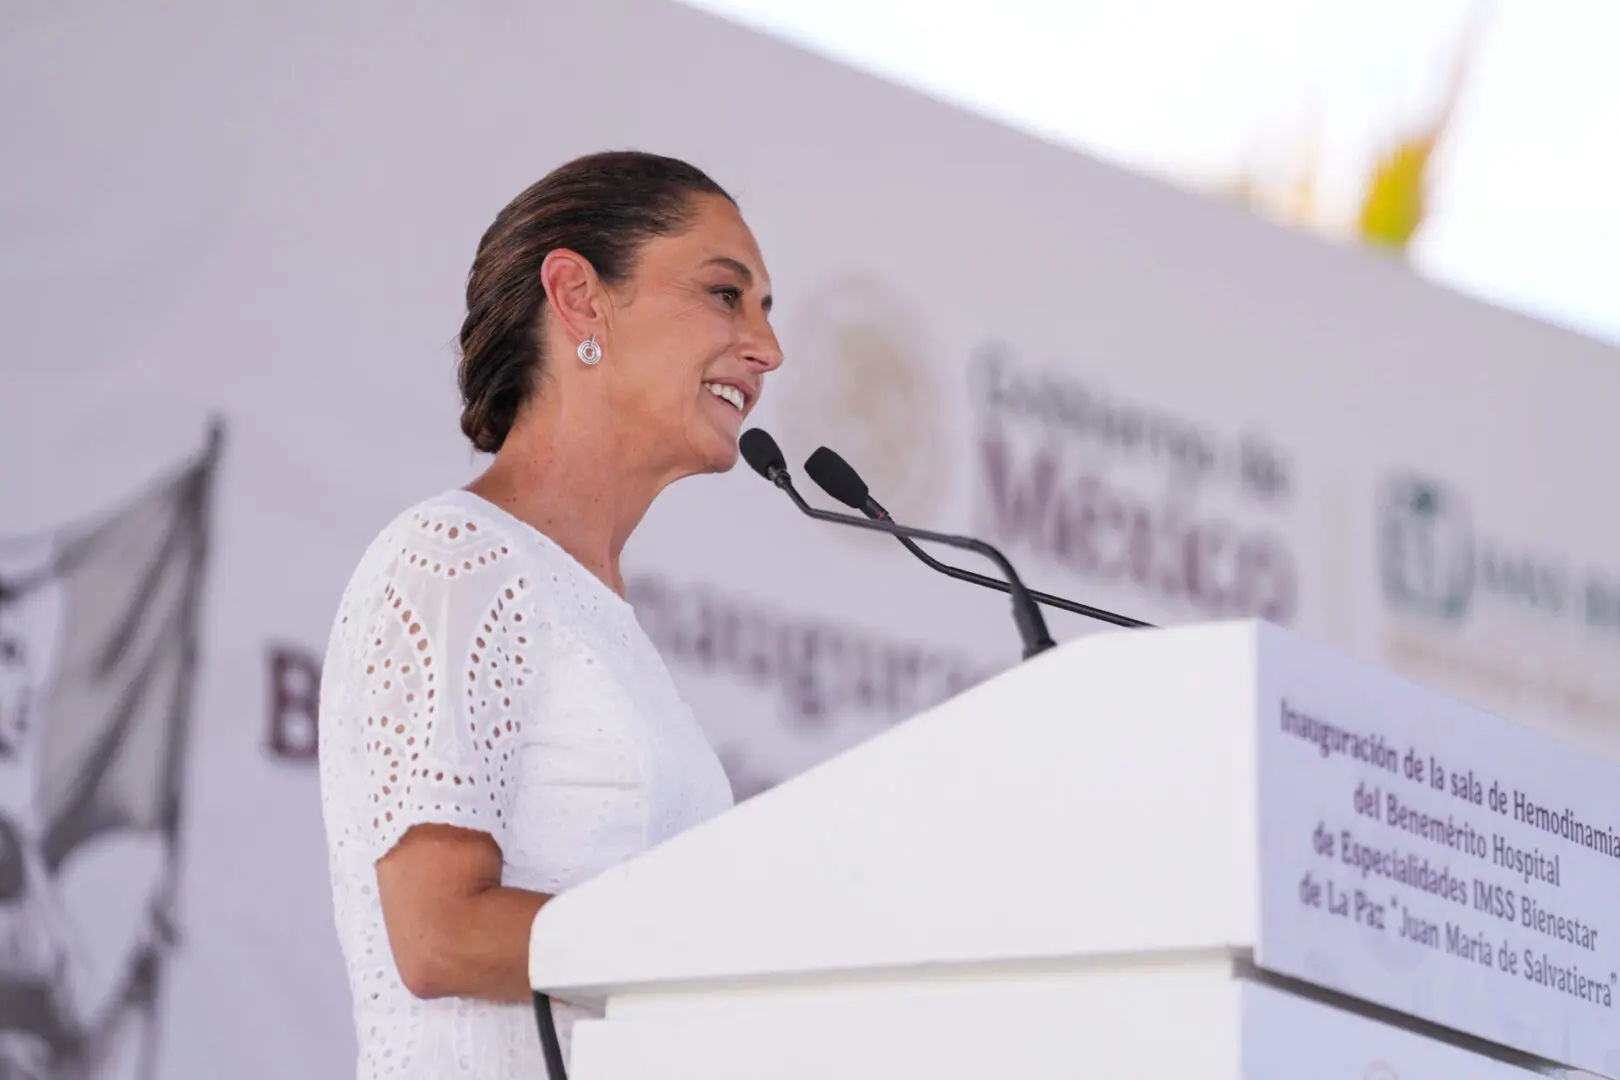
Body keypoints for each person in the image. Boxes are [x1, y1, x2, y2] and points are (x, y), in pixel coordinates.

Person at [317, 150, 783, 1080]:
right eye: (727, 296)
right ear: (578, 297)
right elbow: (438, 934)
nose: (767, 348)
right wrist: (748, 948)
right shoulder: (456, 555)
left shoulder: (598, 615)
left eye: (768, 312)